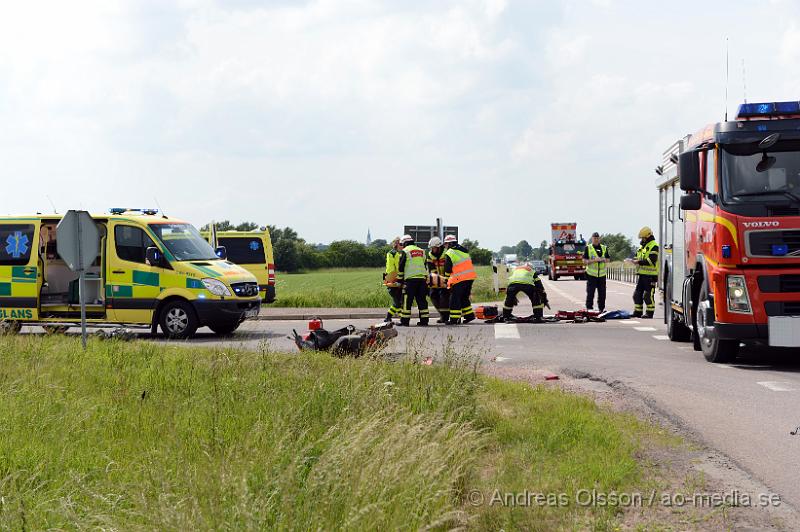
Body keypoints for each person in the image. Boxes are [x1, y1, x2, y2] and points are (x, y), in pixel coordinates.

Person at [626, 226, 659, 319]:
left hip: (651, 276)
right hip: (642, 275)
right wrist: (633, 260)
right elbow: (637, 257)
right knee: (637, 295)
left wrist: (638, 262)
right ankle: (638, 312)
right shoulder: (642, 247)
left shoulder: (654, 246)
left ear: (648, 236)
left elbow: (651, 260)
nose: (642, 240)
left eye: (643, 238)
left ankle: (649, 312)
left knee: (648, 296)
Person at [443, 235, 477, 325]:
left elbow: (447, 269)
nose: (445, 246)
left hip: (459, 279)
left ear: (450, 244)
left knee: (454, 299)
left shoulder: (450, 252)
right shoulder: (464, 251)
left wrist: (446, 280)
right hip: (469, 277)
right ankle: (469, 316)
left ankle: (454, 319)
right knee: (464, 298)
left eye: (446, 244)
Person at [397, 234, 429, 326]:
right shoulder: (422, 251)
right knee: (422, 301)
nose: (402, 246)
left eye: (402, 244)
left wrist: (399, 281)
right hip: (422, 280)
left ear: (405, 243)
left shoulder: (405, 251)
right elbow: (424, 264)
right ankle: (424, 321)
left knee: (407, 301)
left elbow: (401, 267)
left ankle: (405, 322)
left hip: (410, 281)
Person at [584, 232, 610, 312]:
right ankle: (589, 308)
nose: (596, 239)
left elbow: (608, 259)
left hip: (602, 275)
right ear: (592, 239)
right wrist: (594, 260)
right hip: (591, 275)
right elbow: (585, 261)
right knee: (590, 293)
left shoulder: (604, 248)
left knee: (602, 294)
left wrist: (602, 259)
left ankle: (601, 309)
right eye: (594, 238)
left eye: (597, 238)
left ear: (599, 239)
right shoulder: (588, 248)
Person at [426, 236, 450, 323]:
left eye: (434, 248)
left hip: (447, 279)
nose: (432, 250)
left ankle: (445, 317)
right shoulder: (430, 255)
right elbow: (431, 269)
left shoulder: (446, 253)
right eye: (431, 248)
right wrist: (436, 280)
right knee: (432, 295)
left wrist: (446, 279)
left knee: (444, 297)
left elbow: (449, 268)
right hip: (436, 279)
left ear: (439, 247)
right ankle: (442, 314)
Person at [383, 237, 403, 321]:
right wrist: (399, 278)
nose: (402, 246)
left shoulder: (392, 253)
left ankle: (398, 316)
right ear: (397, 244)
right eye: (401, 244)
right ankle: (389, 317)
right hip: (393, 278)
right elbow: (395, 268)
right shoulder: (395, 254)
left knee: (398, 300)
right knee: (397, 301)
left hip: (388, 277)